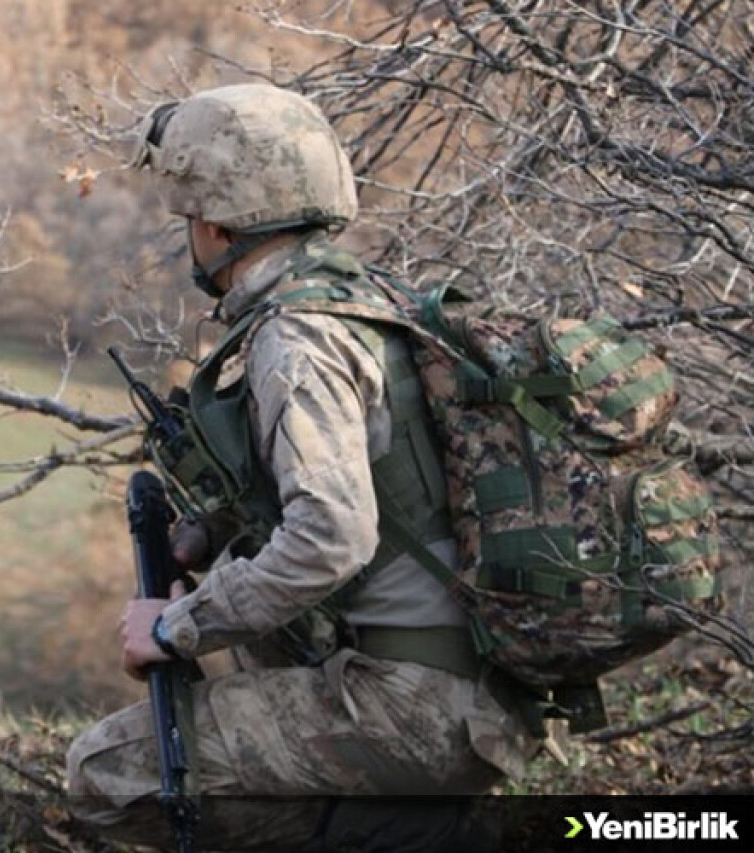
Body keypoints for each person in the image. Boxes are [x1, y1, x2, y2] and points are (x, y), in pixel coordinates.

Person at [66, 84, 541, 851]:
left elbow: (330, 537)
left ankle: (414, 831)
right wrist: (210, 533)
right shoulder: (366, 297)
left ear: (218, 225)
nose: (191, 237)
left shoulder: (297, 340)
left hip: (414, 708)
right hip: (472, 689)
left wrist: (178, 625)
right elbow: (388, 482)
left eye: (190, 221)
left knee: (107, 772)